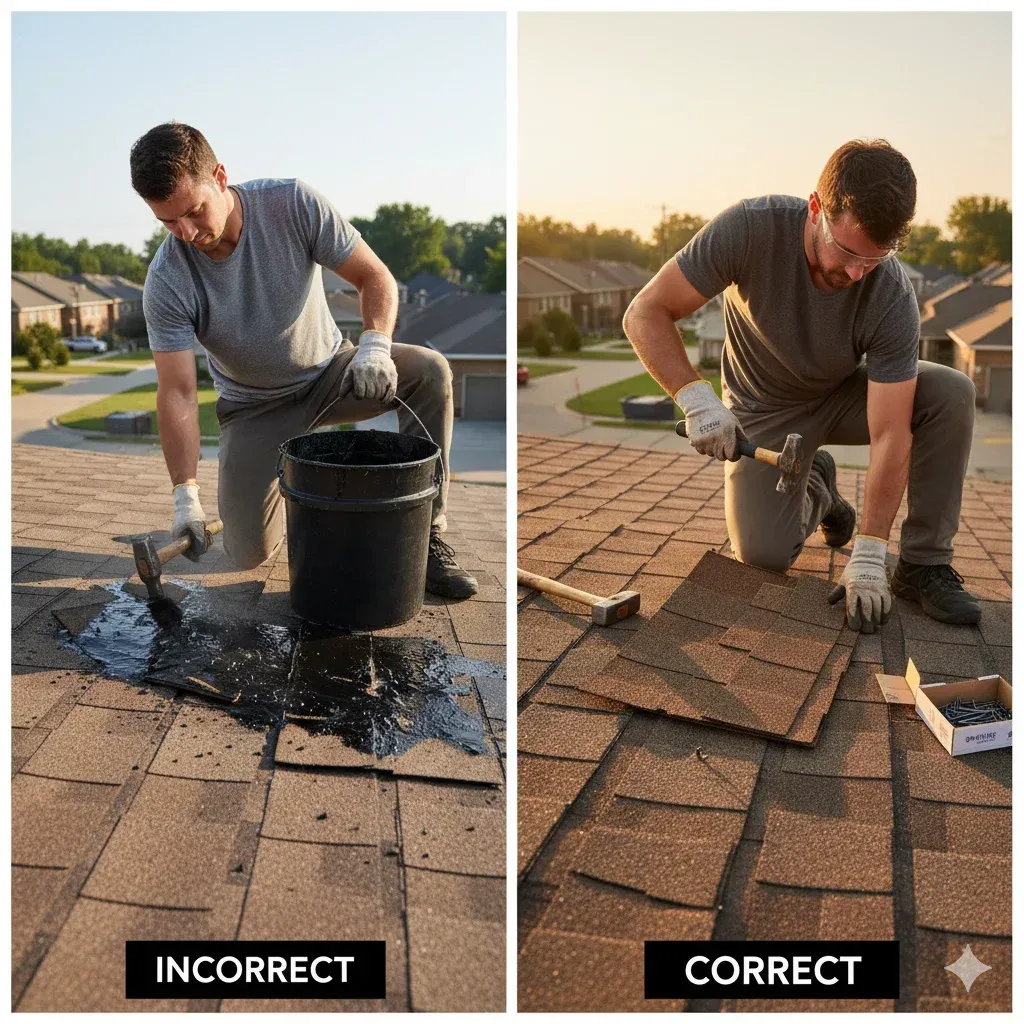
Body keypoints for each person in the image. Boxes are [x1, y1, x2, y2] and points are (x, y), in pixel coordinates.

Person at [623, 139, 980, 633]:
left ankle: (923, 565)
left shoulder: (891, 293)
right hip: (764, 404)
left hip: (844, 394)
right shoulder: (750, 229)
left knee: (951, 392)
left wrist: (870, 552)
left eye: (874, 259)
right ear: (816, 209)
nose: (856, 272)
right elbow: (645, 312)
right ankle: (820, 488)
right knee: (762, 555)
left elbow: (890, 433)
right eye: (848, 252)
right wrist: (696, 399)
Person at [131, 122, 477, 600]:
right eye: (168, 222)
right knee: (247, 553)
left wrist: (375, 345)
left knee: (430, 371)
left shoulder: (291, 203)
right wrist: (184, 494)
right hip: (254, 408)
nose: (186, 233)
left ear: (220, 177)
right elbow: (178, 392)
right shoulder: (168, 278)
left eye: (193, 212)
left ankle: (429, 534)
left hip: (333, 375)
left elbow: (375, 276)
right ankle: (286, 491)